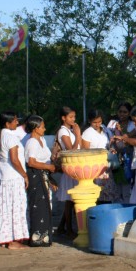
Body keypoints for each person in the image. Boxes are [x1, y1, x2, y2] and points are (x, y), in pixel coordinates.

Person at [0, 110, 30, 249]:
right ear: (7, 123)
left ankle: (5, 238)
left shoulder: (2, 135)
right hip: (13, 178)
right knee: (15, 207)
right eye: (15, 120)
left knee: (5, 208)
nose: (17, 123)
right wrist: (24, 174)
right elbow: (14, 159)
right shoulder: (10, 137)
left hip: (4, 176)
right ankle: (12, 240)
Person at [24, 115, 57, 247]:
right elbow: (31, 162)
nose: (44, 129)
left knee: (46, 206)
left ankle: (45, 235)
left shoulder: (41, 140)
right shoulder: (31, 142)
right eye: (42, 127)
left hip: (44, 175)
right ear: (36, 128)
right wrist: (48, 167)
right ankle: (37, 236)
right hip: (36, 175)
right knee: (38, 206)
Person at [81, 109, 119, 204]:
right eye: (94, 122)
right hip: (94, 167)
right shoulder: (87, 133)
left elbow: (109, 144)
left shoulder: (105, 129)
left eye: (99, 122)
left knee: (108, 196)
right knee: (98, 195)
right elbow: (85, 152)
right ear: (90, 121)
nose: (97, 124)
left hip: (106, 166)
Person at [54, 106, 81, 238]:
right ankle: (68, 229)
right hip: (70, 168)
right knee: (69, 201)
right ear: (63, 118)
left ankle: (61, 227)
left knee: (72, 201)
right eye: (70, 117)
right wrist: (78, 136)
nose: (73, 119)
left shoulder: (69, 130)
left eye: (74, 117)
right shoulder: (63, 132)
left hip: (75, 168)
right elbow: (71, 151)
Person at [107, 102, 136, 203]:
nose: (122, 114)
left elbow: (126, 139)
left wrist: (120, 132)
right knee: (116, 186)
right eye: (120, 112)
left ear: (129, 113)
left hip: (128, 158)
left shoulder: (133, 125)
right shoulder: (112, 124)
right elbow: (109, 139)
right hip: (115, 157)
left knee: (126, 186)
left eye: (125, 112)